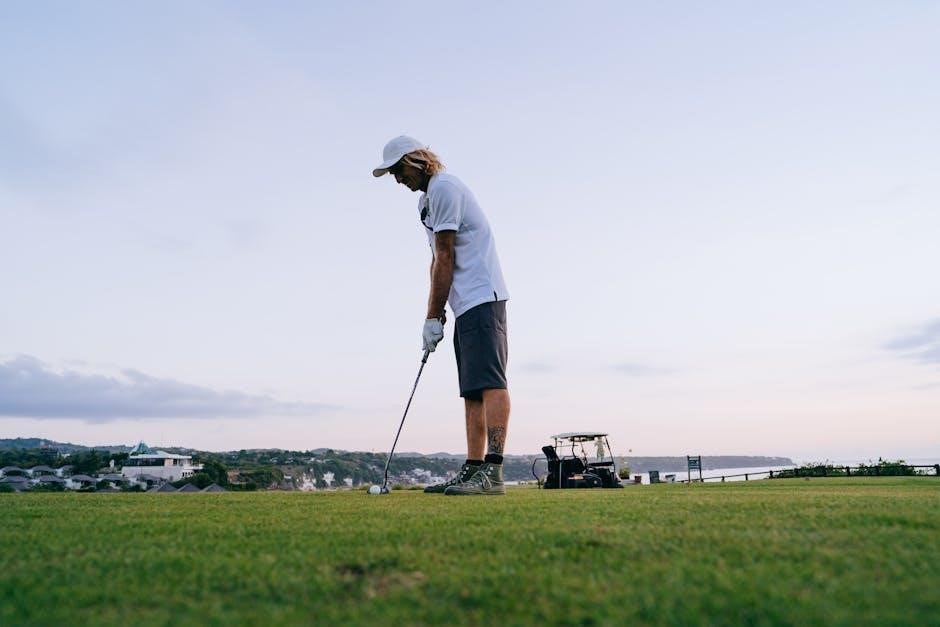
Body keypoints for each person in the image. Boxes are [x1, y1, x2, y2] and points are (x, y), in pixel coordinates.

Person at [373, 135, 510, 496]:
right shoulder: (426, 201)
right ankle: (474, 468)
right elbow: (436, 261)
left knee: (491, 383)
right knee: (472, 390)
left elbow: (447, 255)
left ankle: (493, 473)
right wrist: (434, 314)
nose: (398, 179)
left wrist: (433, 316)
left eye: (399, 170)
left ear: (416, 160)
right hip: (464, 304)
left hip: (483, 295)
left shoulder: (445, 188)